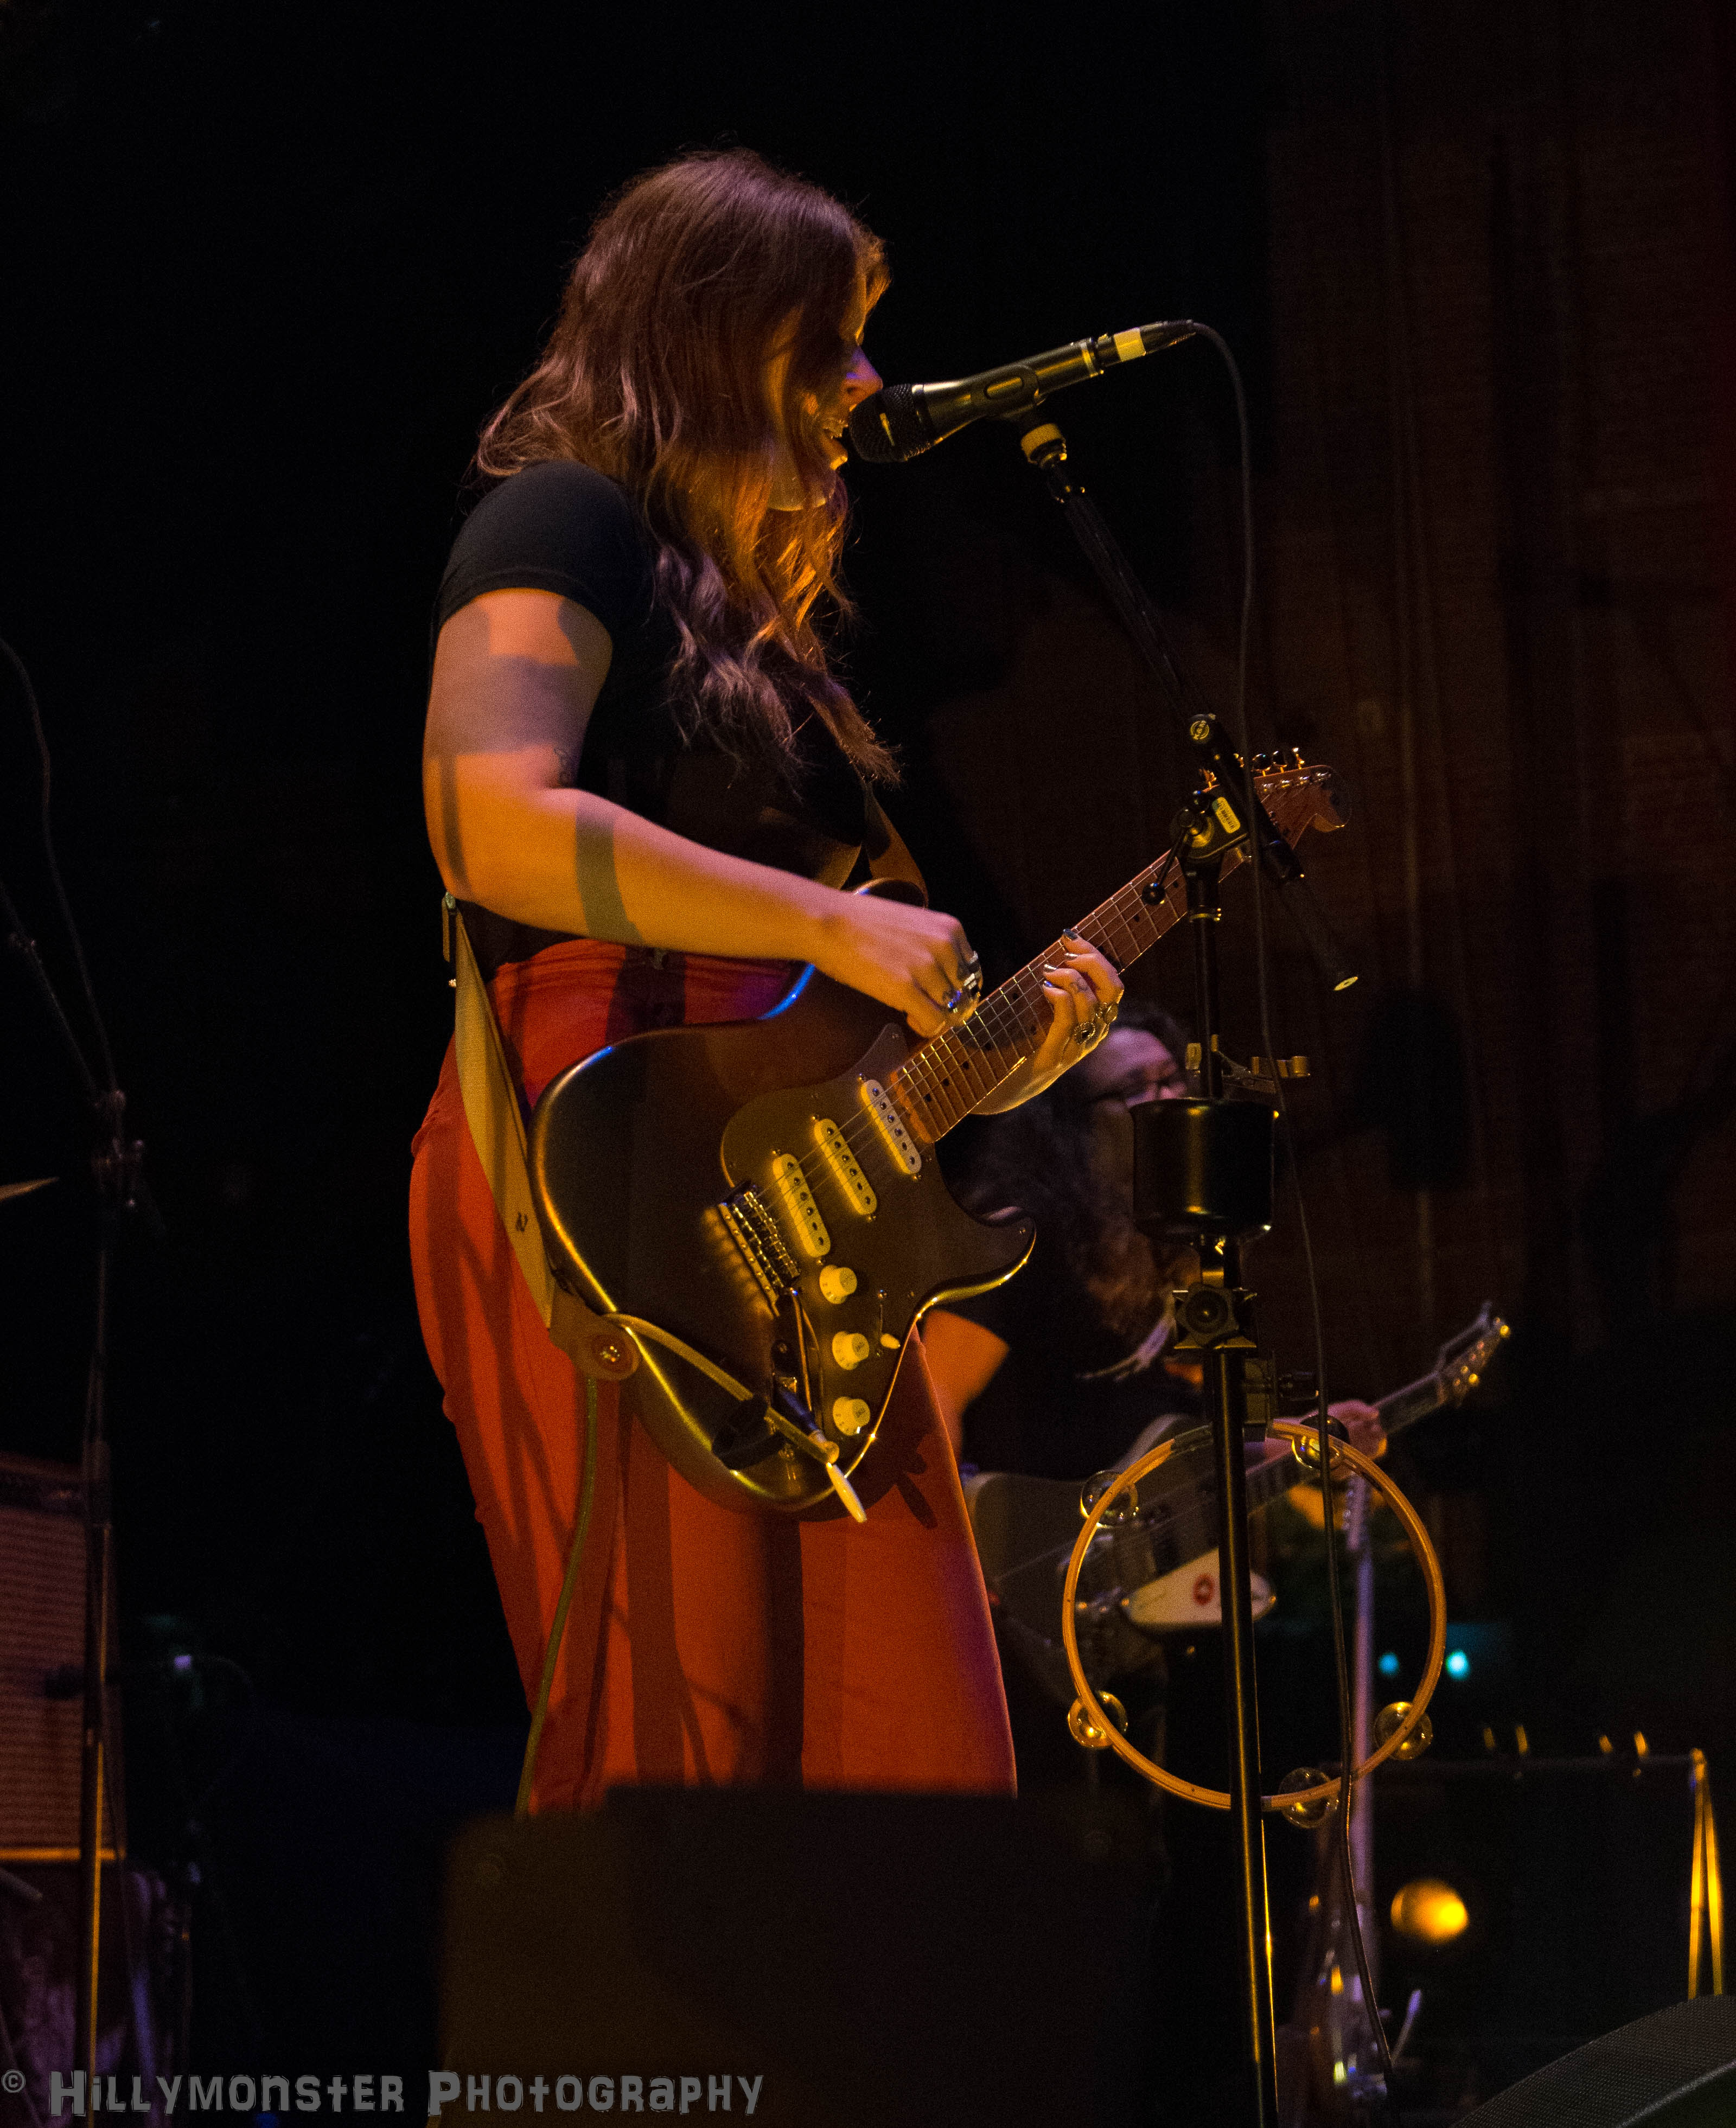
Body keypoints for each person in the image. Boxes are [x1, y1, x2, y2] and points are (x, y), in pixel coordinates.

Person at [407, 149, 1125, 1811]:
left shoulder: (757, 644)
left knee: (902, 1746)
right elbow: (485, 818)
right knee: (687, 1738)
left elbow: (819, 1009)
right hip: (611, 1158)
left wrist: (1001, 1054)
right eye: (833, 335)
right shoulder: (560, 517)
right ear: (723, 337)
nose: (868, 380)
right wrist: (822, 923)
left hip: (786, 1209)